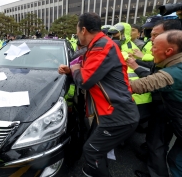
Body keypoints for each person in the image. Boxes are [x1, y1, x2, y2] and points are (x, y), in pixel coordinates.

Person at [59, 12, 139, 177]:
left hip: (118, 114)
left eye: (77, 30)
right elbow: (90, 72)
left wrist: (74, 68)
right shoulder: (96, 46)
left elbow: (85, 80)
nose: (76, 34)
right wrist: (71, 72)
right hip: (109, 111)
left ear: (83, 30)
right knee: (95, 149)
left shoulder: (103, 46)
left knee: (91, 151)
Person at [127, 20, 181, 177]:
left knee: (176, 161)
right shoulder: (172, 62)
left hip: (169, 114)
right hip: (172, 116)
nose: (150, 49)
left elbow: (148, 82)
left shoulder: (175, 72)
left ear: (169, 50)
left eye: (155, 45)